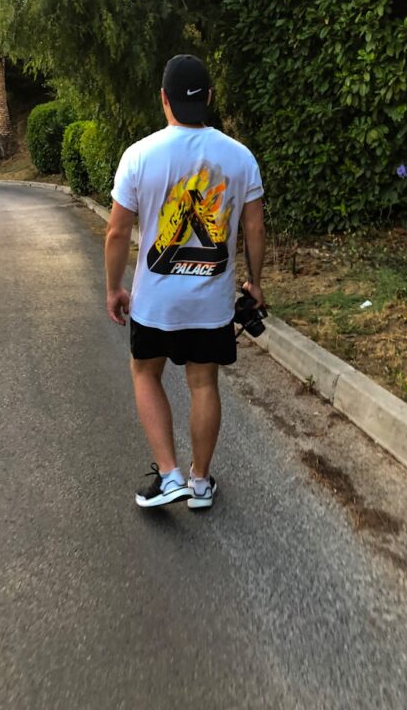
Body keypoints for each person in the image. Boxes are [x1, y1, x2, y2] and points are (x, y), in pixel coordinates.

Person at [105, 54, 266, 510]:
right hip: (210, 304)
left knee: (145, 373)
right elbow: (253, 228)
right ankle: (199, 483)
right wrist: (255, 282)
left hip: (155, 303)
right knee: (203, 384)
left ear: (164, 99)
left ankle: (170, 474)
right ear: (210, 99)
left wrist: (114, 288)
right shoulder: (240, 157)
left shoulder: (139, 155)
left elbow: (117, 231)